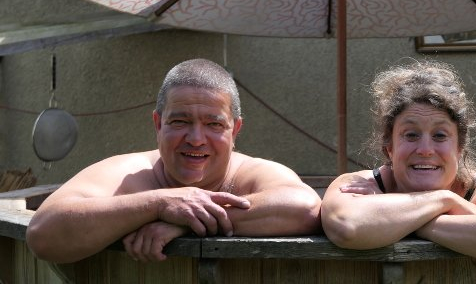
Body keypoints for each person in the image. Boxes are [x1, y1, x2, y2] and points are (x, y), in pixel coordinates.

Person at [26, 58, 321, 263]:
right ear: (158, 124)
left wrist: (190, 222)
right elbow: (42, 235)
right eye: (180, 121)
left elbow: (305, 208)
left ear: (235, 130)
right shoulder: (129, 173)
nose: (196, 138)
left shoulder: (250, 172)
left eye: (214, 124)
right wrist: (158, 205)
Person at [321, 60, 476, 267]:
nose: (425, 150)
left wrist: (404, 221)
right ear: (390, 147)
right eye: (411, 135)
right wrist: (445, 200)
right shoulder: (359, 183)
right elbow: (346, 226)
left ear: (459, 147)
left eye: (439, 135)